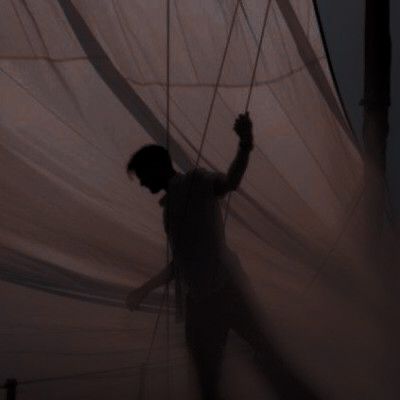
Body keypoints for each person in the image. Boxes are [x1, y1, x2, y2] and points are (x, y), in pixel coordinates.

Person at [126, 113, 319, 400]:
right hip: (201, 302)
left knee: (267, 358)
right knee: (210, 382)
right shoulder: (169, 208)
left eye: (142, 175)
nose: (142, 183)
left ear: (157, 167)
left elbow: (229, 182)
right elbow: (181, 263)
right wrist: (145, 289)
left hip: (226, 291)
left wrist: (245, 144)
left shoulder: (194, 181)